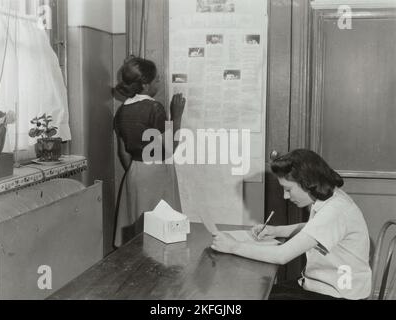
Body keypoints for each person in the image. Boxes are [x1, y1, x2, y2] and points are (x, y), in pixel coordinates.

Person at [211, 149, 372, 300]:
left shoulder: (335, 210)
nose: (285, 196)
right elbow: (314, 231)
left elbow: (282, 256)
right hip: (318, 285)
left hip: (338, 295)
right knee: (257, 293)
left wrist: (232, 246)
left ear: (307, 183)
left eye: (288, 189)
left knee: (254, 295)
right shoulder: (331, 198)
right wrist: (276, 231)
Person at [113, 57, 186, 248]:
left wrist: (137, 168)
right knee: (161, 229)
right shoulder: (155, 108)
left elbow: (123, 152)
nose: (159, 83)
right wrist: (177, 116)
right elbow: (170, 148)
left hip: (135, 172)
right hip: (157, 172)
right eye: (157, 79)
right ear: (145, 85)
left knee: (138, 227)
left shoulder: (122, 111)